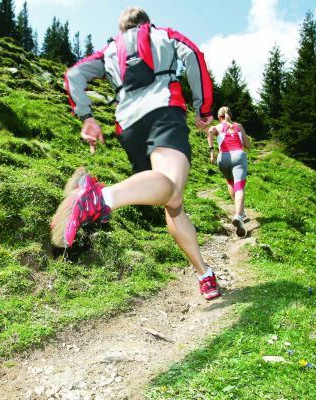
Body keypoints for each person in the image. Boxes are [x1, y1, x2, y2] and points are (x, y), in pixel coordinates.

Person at [50, 7, 221, 300]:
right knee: (173, 192)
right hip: (164, 112)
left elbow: (74, 74)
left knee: (172, 202)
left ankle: (203, 273)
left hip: (128, 127)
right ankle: (97, 198)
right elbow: (194, 55)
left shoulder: (108, 51)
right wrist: (203, 108)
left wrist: (87, 117)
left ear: (121, 28)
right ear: (145, 23)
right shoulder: (163, 35)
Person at [206, 106, 251, 237]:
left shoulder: (217, 127)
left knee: (230, 183)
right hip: (238, 156)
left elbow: (209, 131)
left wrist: (212, 151)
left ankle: (240, 212)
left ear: (219, 117)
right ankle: (238, 216)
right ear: (231, 115)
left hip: (223, 158)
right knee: (239, 188)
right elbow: (247, 145)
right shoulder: (239, 126)